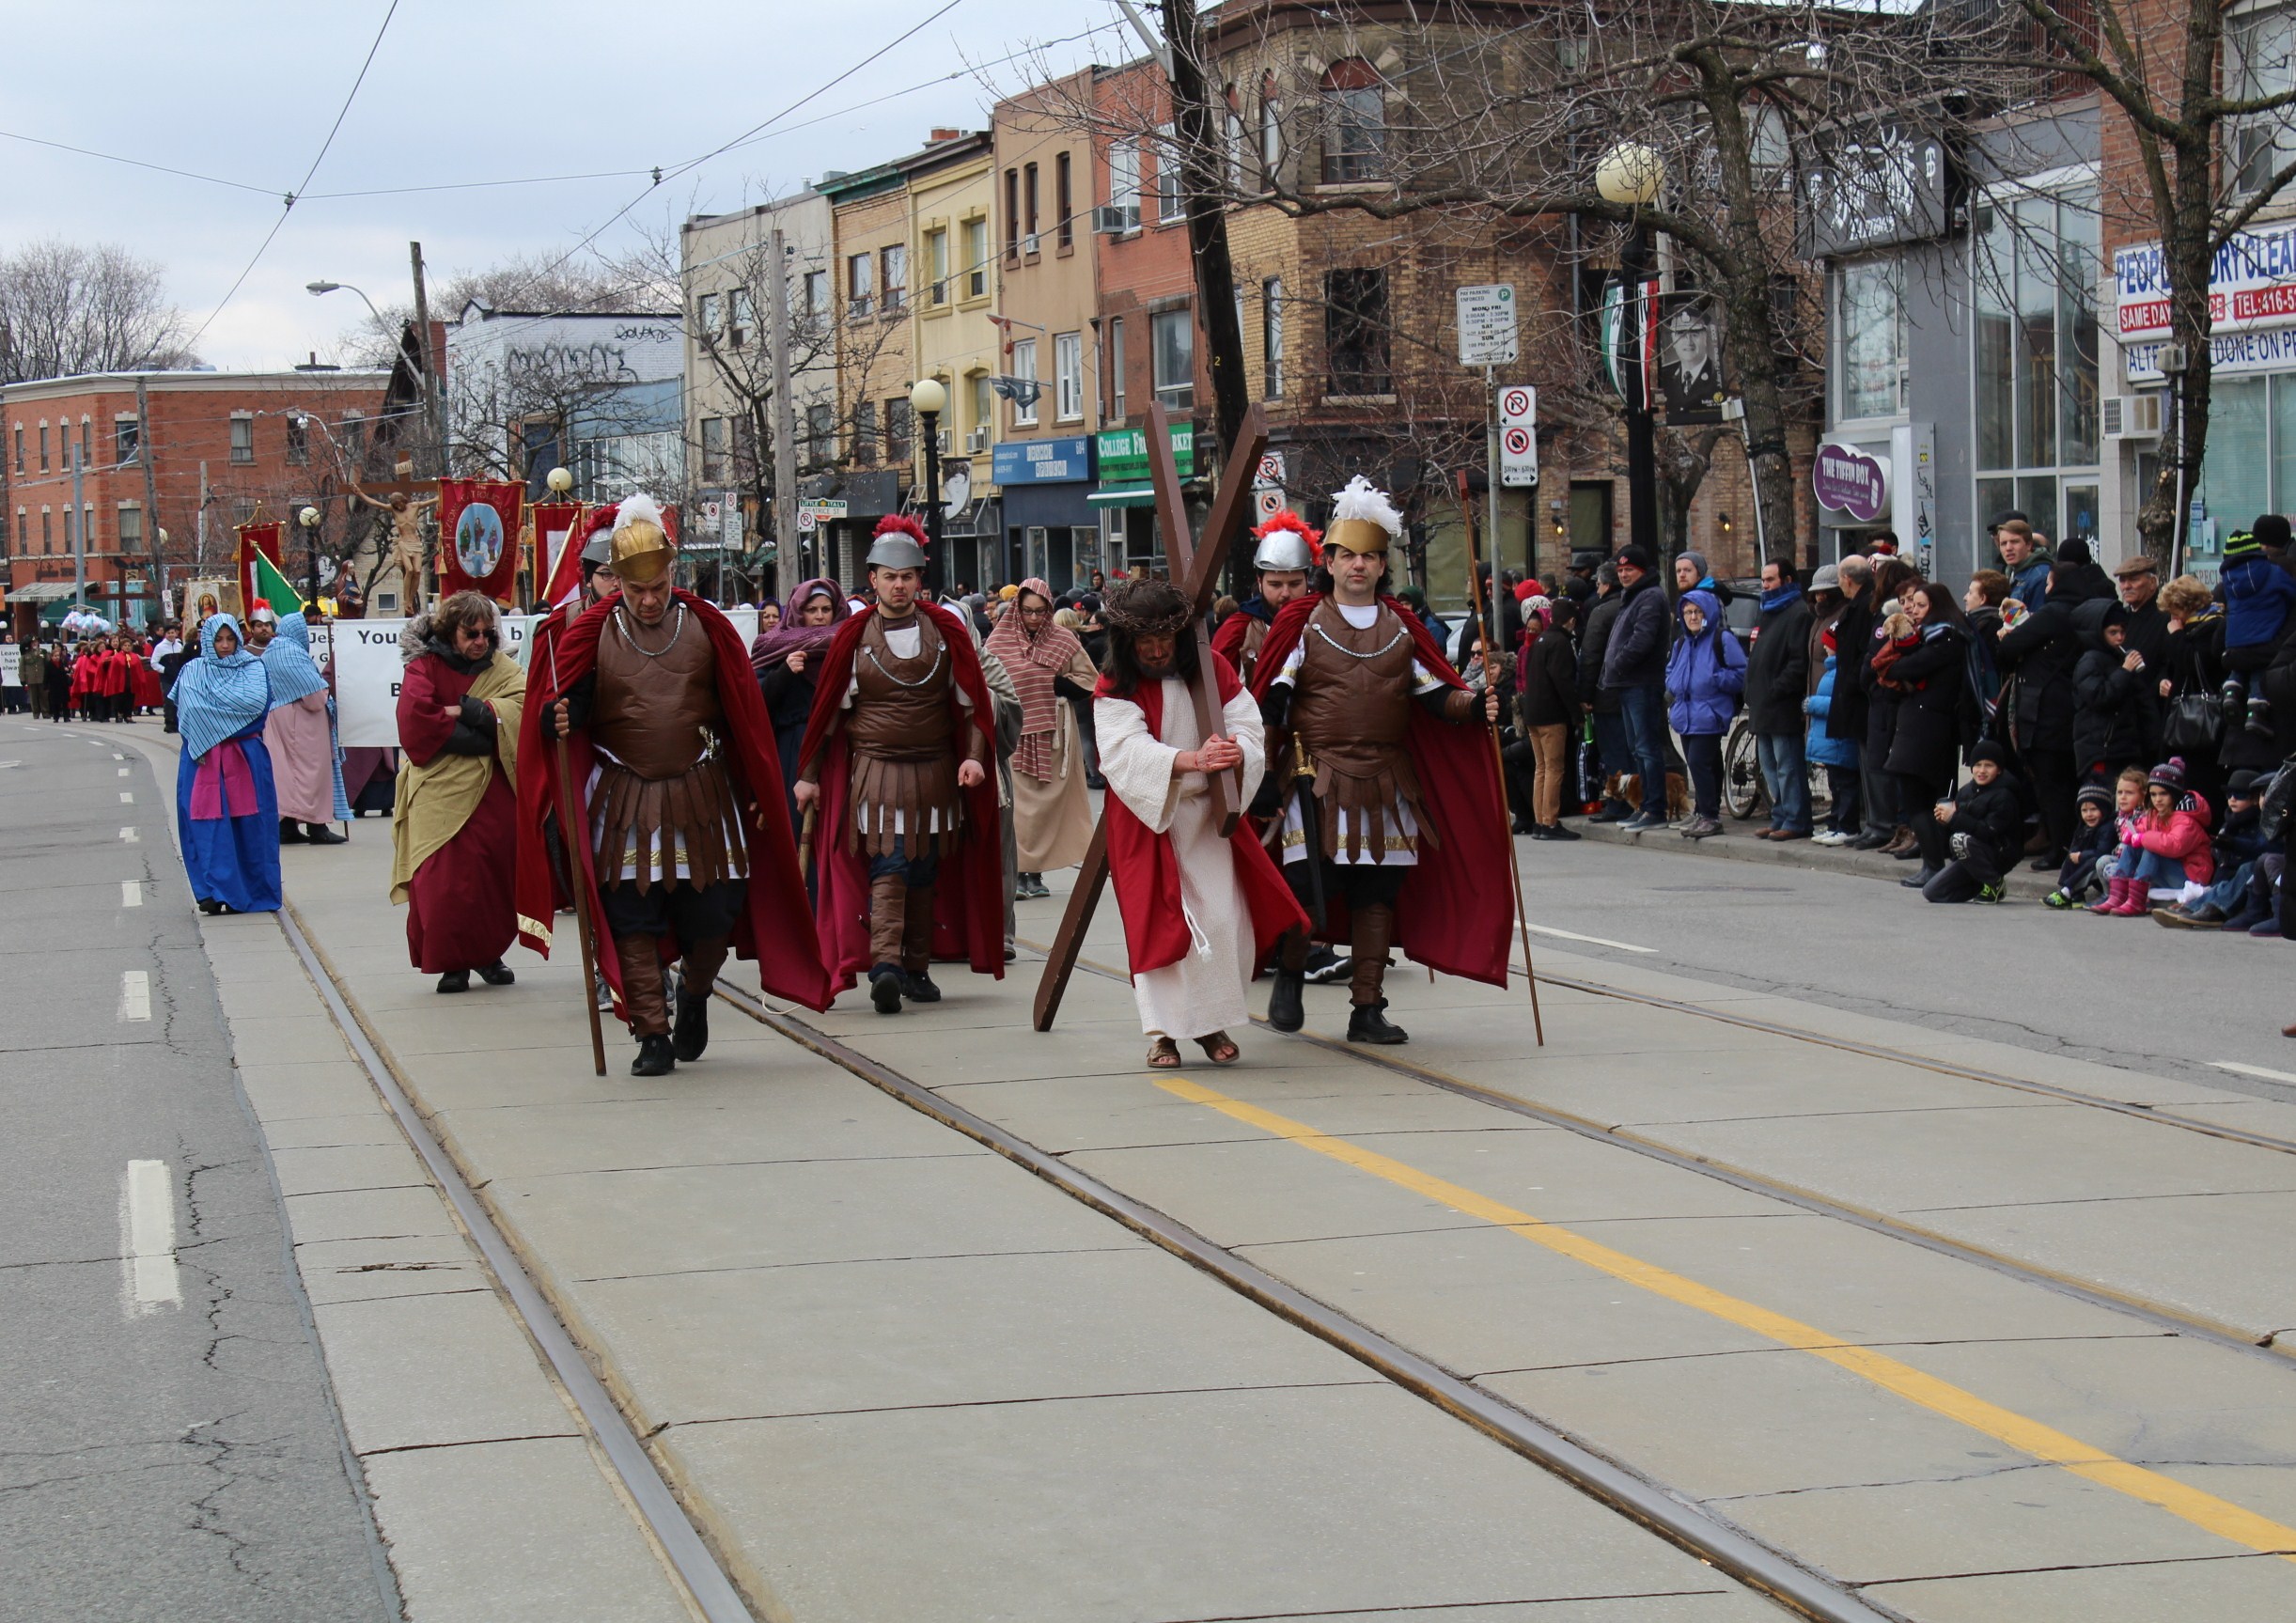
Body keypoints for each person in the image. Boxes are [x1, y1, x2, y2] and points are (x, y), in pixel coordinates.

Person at [523, 494, 830, 1075]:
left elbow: (742, 711)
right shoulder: (588, 633)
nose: (648, 599)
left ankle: (693, 993)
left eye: (657, 587)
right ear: (617, 582)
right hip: (623, 796)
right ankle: (651, 1035)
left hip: (702, 792)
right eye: (636, 589)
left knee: (713, 914)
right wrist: (556, 716)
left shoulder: (707, 626)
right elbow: (569, 707)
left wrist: (758, 787)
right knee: (631, 916)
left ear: (672, 574)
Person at [1250, 476, 1513, 1045]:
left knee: (1377, 896)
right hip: (1314, 777)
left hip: (1389, 781)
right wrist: (1264, 774)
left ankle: (1366, 1009)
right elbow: (1270, 701)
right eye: (1348, 556)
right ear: (1329, 562)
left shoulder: (1401, 628)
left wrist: (1476, 705)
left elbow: (1435, 696)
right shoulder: (1303, 623)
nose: (1358, 565)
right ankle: (1290, 972)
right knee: (1307, 890)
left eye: (1369, 556)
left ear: (1381, 564)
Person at [792, 515, 1005, 1015]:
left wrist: (974, 759)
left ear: (919, 579)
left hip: (935, 770)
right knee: (890, 863)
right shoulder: (853, 636)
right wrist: (808, 776)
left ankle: (916, 967)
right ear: (874, 579)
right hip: (876, 770)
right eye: (890, 576)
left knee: (925, 867)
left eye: (907, 576)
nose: (899, 585)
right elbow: (829, 714)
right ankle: (886, 965)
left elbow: (973, 705)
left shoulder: (946, 631)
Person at [1094, 578, 1307, 1067]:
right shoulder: (1116, 684)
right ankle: (1164, 1035)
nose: (1156, 651)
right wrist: (1192, 760)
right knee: (1161, 925)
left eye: (1164, 640)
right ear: (1127, 643)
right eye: (1145, 642)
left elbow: (1246, 723)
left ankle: (1210, 1025)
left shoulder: (1211, 669)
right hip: (1151, 816)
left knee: (1220, 918)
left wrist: (1236, 752)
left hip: (1208, 814)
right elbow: (1124, 751)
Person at [392, 592, 526, 992]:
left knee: (493, 875)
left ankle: (488, 955)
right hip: (438, 786)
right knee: (442, 880)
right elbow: (418, 722)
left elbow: (521, 712)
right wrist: (486, 729)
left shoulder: (503, 669)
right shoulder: (424, 667)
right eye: (471, 634)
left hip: (493, 789)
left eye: (487, 634)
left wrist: (466, 710)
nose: (480, 642)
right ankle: (452, 964)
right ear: (451, 632)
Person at [1991, 550, 2116, 867]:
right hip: (2077, 709)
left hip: (2044, 711)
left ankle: (2059, 847)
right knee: (2072, 782)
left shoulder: (2053, 613)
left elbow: (2008, 649)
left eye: (2048, 582)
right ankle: (2075, 844)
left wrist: (2007, 635)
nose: (2046, 588)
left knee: (2050, 784)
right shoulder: (2090, 612)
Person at [984, 577, 1098, 898]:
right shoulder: (999, 640)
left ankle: (1035, 874)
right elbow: (985, 681)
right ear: (1017, 608)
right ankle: (1017, 872)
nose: (1033, 618)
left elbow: (1089, 680)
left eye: (1040, 611)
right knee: (1017, 808)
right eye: (1027, 611)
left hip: (1054, 737)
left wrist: (1055, 683)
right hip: (1013, 737)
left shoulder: (1064, 640)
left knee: (1047, 808)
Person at [171, 615, 283, 916]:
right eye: (218, 639)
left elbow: (256, 705)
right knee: (206, 827)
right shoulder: (193, 670)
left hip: (245, 757)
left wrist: (214, 718)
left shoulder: (254, 667)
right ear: (207, 640)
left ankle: (250, 890)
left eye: (230, 639)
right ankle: (210, 891)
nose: (224, 645)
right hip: (202, 759)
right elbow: (190, 711)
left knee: (250, 827)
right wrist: (225, 719)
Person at [1878, 581, 1972, 891]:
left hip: (1928, 725)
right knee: (1924, 798)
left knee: (1919, 799)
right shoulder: (1930, 636)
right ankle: (1932, 864)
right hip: (1921, 722)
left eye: (1921, 605)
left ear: (1937, 606)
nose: (1913, 611)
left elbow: (1905, 668)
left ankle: (1934, 865)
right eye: (1912, 605)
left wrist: (1896, 665)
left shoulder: (1945, 637)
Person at [753, 578, 850, 832]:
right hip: (792, 748)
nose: (819, 616)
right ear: (798, 611)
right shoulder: (774, 645)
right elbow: (755, 701)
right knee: (794, 826)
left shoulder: (848, 642)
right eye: (811, 610)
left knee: (834, 828)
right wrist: (784, 672)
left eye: (826, 609)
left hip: (836, 746)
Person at [260, 609, 351, 846]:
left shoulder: (272, 650)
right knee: (311, 772)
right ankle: (317, 826)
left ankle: (287, 826)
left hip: (277, 719)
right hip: (301, 723)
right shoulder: (292, 652)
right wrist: (326, 691)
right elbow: (315, 698)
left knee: (286, 775)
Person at [1601, 544, 1673, 831]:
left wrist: (1618, 663)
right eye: (1620, 570)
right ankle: (1644, 805)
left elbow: (1642, 640)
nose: (1623, 575)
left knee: (1646, 748)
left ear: (1642, 571)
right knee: (1636, 748)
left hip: (1642, 683)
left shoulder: (1650, 597)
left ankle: (1655, 808)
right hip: (1627, 683)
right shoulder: (1632, 597)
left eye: (1629, 569)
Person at [1665, 587, 1745, 839]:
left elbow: (1740, 672)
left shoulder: (1722, 639)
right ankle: (1702, 811)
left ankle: (1710, 815)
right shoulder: (1682, 642)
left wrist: (1716, 678)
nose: (1692, 617)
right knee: (1698, 763)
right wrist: (1673, 683)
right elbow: (1671, 669)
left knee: (1700, 762)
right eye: (1688, 612)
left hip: (1709, 713)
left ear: (1707, 613)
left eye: (1697, 612)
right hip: (1685, 714)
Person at [1745, 557, 1815, 839]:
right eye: (1763, 580)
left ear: (1787, 581)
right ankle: (1780, 816)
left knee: (1788, 766)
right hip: (1762, 702)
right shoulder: (1767, 611)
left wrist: (1777, 689)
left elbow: (1798, 663)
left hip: (1781, 704)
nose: (1765, 585)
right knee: (1769, 766)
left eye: (1770, 580)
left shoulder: (1798, 613)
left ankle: (1796, 820)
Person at [1210, 509, 1319, 687]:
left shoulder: (1325, 621)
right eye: (1275, 585)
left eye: (1294, 584)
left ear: (1307, 580)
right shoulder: (1236, 631)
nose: (1285, 593)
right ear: (1260, 582)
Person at [2157, 770, 2267, 927]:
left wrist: (2234, 844)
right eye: (2229, 795)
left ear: (2255, 799)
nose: (2232, 799)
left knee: (2247, 869)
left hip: (2250, 878)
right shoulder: (2229, 823)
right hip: (2228, 879)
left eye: (2240, 795)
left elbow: (2265, 848)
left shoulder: (2262, 821)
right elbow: (2221, 863)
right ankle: (2193, 908)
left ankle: (2212, 910)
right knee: (2222, 884)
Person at [1918, 741, 2023, 903]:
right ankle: (1981, 885)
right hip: (1967, 854)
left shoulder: (2004, 796)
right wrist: (1944, 821)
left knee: (1960, 839)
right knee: (1932, 892)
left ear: (1999, 770)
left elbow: (1988, 832)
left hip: (1998, 853)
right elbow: (1952, 833)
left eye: (1989, 766)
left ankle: (1994, 883)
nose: (1982, 771)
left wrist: (1955, 818)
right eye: (1978, 765)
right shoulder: (1965, 791)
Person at [1512, 595, 1582, 839]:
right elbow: (1563, 681)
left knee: (1541, 769)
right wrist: (1576, 713)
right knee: (1554, 768)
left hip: (1532, 714)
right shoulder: (1560, 643)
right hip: (1552, 715)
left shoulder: (1538, 642)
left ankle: (1540, 821)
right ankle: (1550, 822)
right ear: (1571, 621)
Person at [2110, 757, 2215, 914]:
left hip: (2191, 877)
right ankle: (2117, 896)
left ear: (2174, 794)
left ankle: (2136, 901)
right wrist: (2129, 833)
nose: (2157, 799)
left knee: (2151, 849)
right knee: (2129, 849)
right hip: (2170, 873)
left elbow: (2174, 845)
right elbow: (2141, 827)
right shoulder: (2155, 814)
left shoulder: (2186, 819)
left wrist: (2143, 838)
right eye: (2153, 794)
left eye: (2163, 794)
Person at [2218, 526, 2296, 737]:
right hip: (2264, 635)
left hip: (2234, 639)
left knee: (2239, 664)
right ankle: (2256, 709)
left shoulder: (2229, 580)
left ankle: (2231, 688)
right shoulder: (2274, 572)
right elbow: (2291, 591)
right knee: (2259, 671)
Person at [2070, 599, 2155, 785]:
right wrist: (2124, 671)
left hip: (2123, 748)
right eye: (2113, 632)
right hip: (2102, 749)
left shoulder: (2117, 658)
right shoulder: (2090, 661)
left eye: (2122, 632)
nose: (2120, 638)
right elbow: (2099, 697)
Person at [1580, 564, 1633, 822]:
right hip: (1633, 691)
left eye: (1598, 584)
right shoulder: (1632, 606)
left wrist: (1585, 694)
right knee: (1634, 750)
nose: (1597, 589)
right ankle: (1636, 799)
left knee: (1614, 753)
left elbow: (1590, 656)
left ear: (1606, 585)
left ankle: (1618, 804)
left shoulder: (1601, 612)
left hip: (1606, 694)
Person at [1805, 630, 1863, 846]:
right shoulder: (1831, 671)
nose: (1824, 647)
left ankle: (1847, 826)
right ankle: (1834, 824)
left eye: (1828, 643)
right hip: (1831, 740)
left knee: (1844, 785)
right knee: (1835, 785)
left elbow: (1838, 703)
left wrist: (1812, 704)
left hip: (1839, 740)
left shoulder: (1841, 671)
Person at [2042, 784, 2119, 909]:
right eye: (2084, 810)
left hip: (2108, 874)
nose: (2089, 814)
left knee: (2093, 861)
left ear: (2104, 809)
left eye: (2093, 809)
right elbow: (2076, 849)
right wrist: (2075, 854)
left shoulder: (2108, 827)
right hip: (2094, 875)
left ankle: (2066, 893)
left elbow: (2102, 852)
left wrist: (2082, 856)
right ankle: (2073, 894)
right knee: (2071, 856)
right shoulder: (2084, 828)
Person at [2087, 768, 2152, 915]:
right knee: (2103, 861)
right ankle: (2111, 896)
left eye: (2129, 793)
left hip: (2138, 863)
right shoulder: (2120, 816)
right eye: (2120, 792)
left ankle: (2136, 899)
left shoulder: (2145, 816)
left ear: (2143, 796)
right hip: (2123, 858)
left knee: (2111, 869)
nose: (2123, 797)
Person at [1994, 517, 2051, 605]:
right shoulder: (2010, 573)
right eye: (2003, 544)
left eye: (2014, 542)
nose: (2008, 548)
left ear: (2028, 545)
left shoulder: (2041, 576)